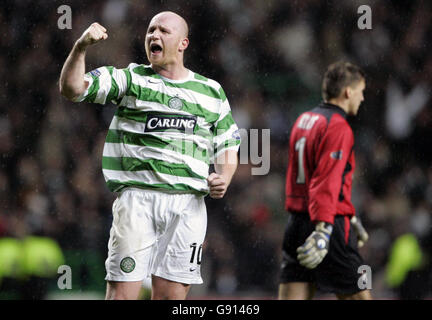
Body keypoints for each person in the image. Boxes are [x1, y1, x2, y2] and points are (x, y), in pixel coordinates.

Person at [59, 11, 240, 300]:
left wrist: (225, 176)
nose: (154, 35)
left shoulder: (211, 91)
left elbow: (228, 143)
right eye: (150, 31)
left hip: (188, 206)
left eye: (163, 31)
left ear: (183, 43)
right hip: (138, 202)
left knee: (172, 299)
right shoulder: (130, 79)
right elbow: (72, 89)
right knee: (122, 297)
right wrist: (80, 47)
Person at [278, 61, 372, 300]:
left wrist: (351, 213)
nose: (362, 99)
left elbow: (306, 177)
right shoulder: (339, 127)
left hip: (296, 223)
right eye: (361, 92)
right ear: (348, 92)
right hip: (328, 225)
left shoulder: (304, 120)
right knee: (360, 294)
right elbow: (326, 180)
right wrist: (325, 228)